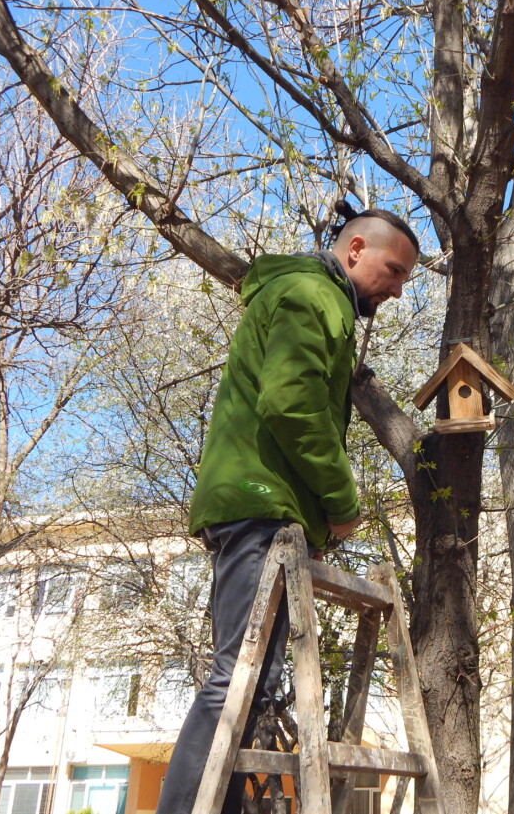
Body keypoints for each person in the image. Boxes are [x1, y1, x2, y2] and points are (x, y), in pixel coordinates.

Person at [156, 202, 419, 814]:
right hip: (260, 505)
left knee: (254, 682)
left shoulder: (311, 297)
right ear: (355, 249)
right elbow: (291, 404)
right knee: (236, 680)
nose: (400, 289)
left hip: (260, 504)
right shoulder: (312, 296)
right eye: (395, 270)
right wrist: (341, 501)